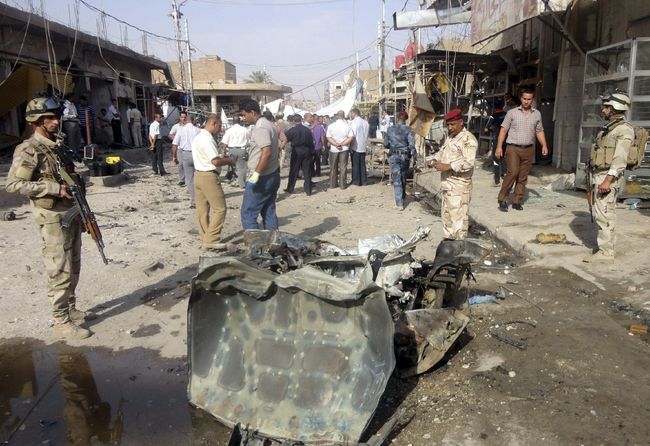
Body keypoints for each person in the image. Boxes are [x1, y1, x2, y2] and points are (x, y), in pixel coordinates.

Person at [6, 96, 96, 340]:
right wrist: (54, 189)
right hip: (52, 217)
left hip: (71, 212)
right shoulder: (29, 149)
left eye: (57, 117)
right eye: (50, 118)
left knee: (74, 264)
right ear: (37, 121)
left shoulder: (56, 145)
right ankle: (60, 320)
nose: (57, 121)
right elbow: (14, 184)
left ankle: (71, 308)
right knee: (59, 268)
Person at [583, 91, 634, 263]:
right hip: (599, 175)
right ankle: (605, 248)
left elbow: (620, 159)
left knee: (605, 214)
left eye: (606, 107)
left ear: (615, 108)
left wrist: (607, 180)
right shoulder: (610, 128)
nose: (603, 110)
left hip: (607, 177)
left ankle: (606, 253)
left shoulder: (624, 130)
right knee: (601, 213)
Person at [427, 109, 478, 240]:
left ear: (461, 122)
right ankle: (449, 244)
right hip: (447, 186)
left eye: (453, 124)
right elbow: (442, 153)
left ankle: (459, 247)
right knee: (447, 217)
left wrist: (447, 166)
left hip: (459, 187)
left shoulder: (467, 139)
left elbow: (469, 162)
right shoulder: (450, 137)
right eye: (448, 125)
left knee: (459, 221)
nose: (450, 128)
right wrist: (434, 160)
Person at [495, 88, 548, 212]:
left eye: (529, 99)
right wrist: (499, 147)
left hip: (529, 149)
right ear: (521, 98)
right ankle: (503, 198)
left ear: (532, 100)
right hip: (513, 148)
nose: (526, 101)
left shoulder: (537, 114)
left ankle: (517, 200)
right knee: (513, 172)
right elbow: (503, 130)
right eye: (524, 98)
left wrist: (544, 145)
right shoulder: (512, 113)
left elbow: (539, 131)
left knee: (523, 176)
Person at [191, 114, 235, 250]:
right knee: (220, 209)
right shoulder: (207, 139)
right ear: (214, 124)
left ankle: (205, 237)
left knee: (202, 210)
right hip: (208, 176)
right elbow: (215, 161)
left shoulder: (198, 137)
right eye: (219, 126)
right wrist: (229, 160)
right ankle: (211, 239)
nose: (220, 129)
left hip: (198, 174)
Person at [239, 99, 281, 230]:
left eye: (244, 115)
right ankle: (272, 240)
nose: (243, 118)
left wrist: (256, 174)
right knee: (268, 211)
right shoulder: (269, 124)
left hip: (262, 177)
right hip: (272, 173)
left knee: (248, 214)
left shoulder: (261, 127)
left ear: (252, 112)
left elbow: (266, 151)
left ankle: (255, 243)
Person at [384, 111, 416, 210]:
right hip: (405, 156)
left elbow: (386, 144)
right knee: (403, 176)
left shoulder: (390, 129)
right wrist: (414, 158)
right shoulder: (409, 130)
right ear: (405, 119)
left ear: (397, 118)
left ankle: (399, 203)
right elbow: (412, 145)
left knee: (397, 178)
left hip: (394, 155)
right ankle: (403, 197)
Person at [172, 114, 201, 207]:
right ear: (193, 121)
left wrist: (174, 157)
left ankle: (194, 200)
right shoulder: (198, 130)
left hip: (185, 154)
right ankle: (202, 197)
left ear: (186, 120)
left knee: (189, 179)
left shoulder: (181, 130)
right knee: (199, 176)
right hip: (197, 154)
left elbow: (175, 144)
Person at [283, 114, 315, 196]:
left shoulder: (292, 130)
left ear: (294, 121)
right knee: (307, 171)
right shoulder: (307, 130)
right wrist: (312, 152)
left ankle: (290, 188)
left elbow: (285, 139)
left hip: (296, 151)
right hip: (306, 150)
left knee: (294, 170)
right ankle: (308, 190)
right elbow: (311, 142)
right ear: (301, 120)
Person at [326, 110, 354, 190]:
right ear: (344, 116)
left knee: (333, 167)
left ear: (337, 116)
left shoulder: (331, 126)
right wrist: (342, 144)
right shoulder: (347, 126)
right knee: (343, 167)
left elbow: (328, 137)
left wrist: (335, 144)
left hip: (333, 149)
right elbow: (350, 137)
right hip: (344, 148)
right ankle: (342, 184)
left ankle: (333, 184)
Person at [220, 116, 249, 188]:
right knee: (242, 168)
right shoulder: (245, 130)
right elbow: (249, 141)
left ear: (233, 122)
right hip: (242, 149)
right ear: (240, 121)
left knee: (232, 166)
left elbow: (224, 143)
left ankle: (234, 180)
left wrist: (223, 152)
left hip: (232, 150)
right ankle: (242, 184)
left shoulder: (229, 130)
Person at [484, 98, 507, 185]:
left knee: (496, 158)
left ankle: (497, 180)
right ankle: (504, 173)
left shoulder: (492, 116)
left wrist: (492, 130)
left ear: (494, 107)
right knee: (503, 157)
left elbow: (486, 129)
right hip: (506, 139)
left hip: (497, 139)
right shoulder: (507, 115)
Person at [349, 108, 370, 186]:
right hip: (363, 145)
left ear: (353, 113)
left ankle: (356, 181)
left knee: (355, 165)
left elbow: (353, 136)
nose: (350, 115)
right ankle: (364, 181)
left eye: (351, 114)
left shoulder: (354, 122)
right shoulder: (365, 122)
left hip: (355, 146)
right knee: (362, 164)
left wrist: (350, 146)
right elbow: (366, 134)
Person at [170, 111, 187, 186]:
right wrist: (175, 139)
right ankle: (182, 179)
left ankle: (189, 178)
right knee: (180, 164)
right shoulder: (176, 126)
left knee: (189, 164)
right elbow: (170, 134)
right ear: (179, 117)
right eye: (182, 117)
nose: (183, 118)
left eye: (185, 117)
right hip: (180, 148)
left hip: (188, 148)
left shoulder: (189, 126)